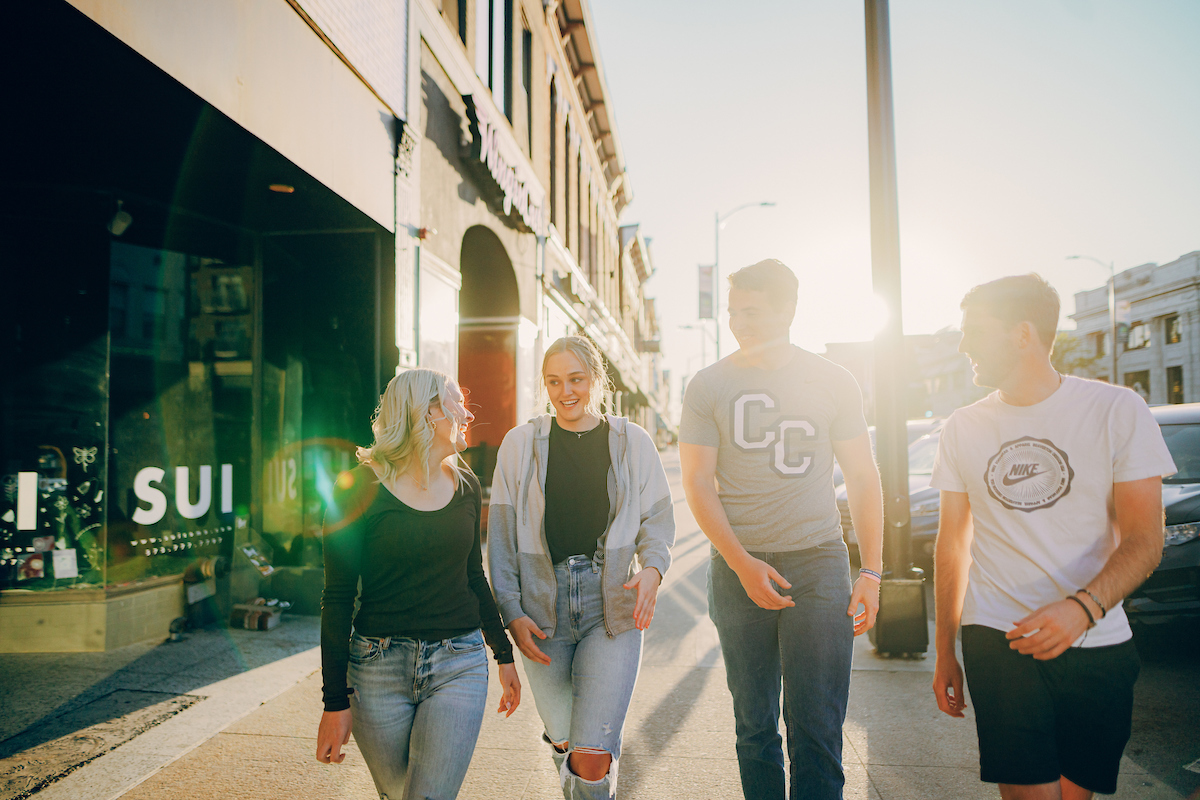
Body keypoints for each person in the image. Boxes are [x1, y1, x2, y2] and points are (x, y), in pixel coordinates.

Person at [931, 275, 1174, 800]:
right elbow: (953, 543)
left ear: (1022, 334)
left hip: (1099, 643)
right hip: (1000, 636)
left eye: (974, 330)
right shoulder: (963, 426)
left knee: (1073, 794)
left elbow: (1144, 539)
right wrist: (944, 648)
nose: (963, 344)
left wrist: (1081, 609)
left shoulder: (1116, 410)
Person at [679, 259, 885, 800]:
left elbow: (863, 476)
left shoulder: (833, 380)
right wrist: (742, 563)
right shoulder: (708, 384)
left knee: (816, 724)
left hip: (817, 561)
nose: (739, 322)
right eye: (733, 312)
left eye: (753, 311)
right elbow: (698, 483)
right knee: (754, 724)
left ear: (789, 310)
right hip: (736, 564)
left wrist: (872, 571)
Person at [315, 368, 520, 799]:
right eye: (454, 400)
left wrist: (502, 653)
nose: (467, 411)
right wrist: (334, 702)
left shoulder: (465, 484)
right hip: (376, 669)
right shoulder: (356, 489)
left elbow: (472, 576)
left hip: (458, 662)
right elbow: (336, 600)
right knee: (397, 794)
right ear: (425, 413)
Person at [488, 335, 675, 800]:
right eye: (554, 381)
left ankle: (589, 770)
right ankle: (572, 760)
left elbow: (658, 518)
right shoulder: (520, 444)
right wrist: (511, 611)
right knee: (568, 741)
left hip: (611, 608)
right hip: (540, 611)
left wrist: (652, 569)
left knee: (591, 757)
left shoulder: (632, 441)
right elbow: (501, 540)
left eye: (576, 379)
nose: (565, 391)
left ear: (596, 379)